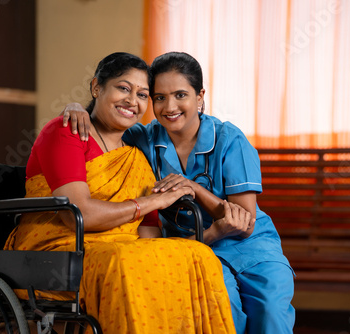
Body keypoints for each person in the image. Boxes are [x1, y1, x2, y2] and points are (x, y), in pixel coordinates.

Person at [63, 51, 295, 334]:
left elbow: (243, 222)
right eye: (159, 97)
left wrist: (195, 189)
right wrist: (76, 106)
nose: (169, 106)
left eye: (181, 95)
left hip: (250, 247)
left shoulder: (229, 139)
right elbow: (105, 120)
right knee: (223, 309)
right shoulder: (143, 137)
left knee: (270, 312)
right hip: (190, 247)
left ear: (200, 97)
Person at [4, 52, 237, 334]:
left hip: (119, 249)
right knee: (126, 260)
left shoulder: (136, 157)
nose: (132, 101)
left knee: (197, 255)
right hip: (59, 250)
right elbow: (79, 215)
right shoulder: (67, 132)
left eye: (142, 95)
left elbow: (147, 237)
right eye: (123, 88)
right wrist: (150, 201)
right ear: (96, 87)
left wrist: (204, 237)